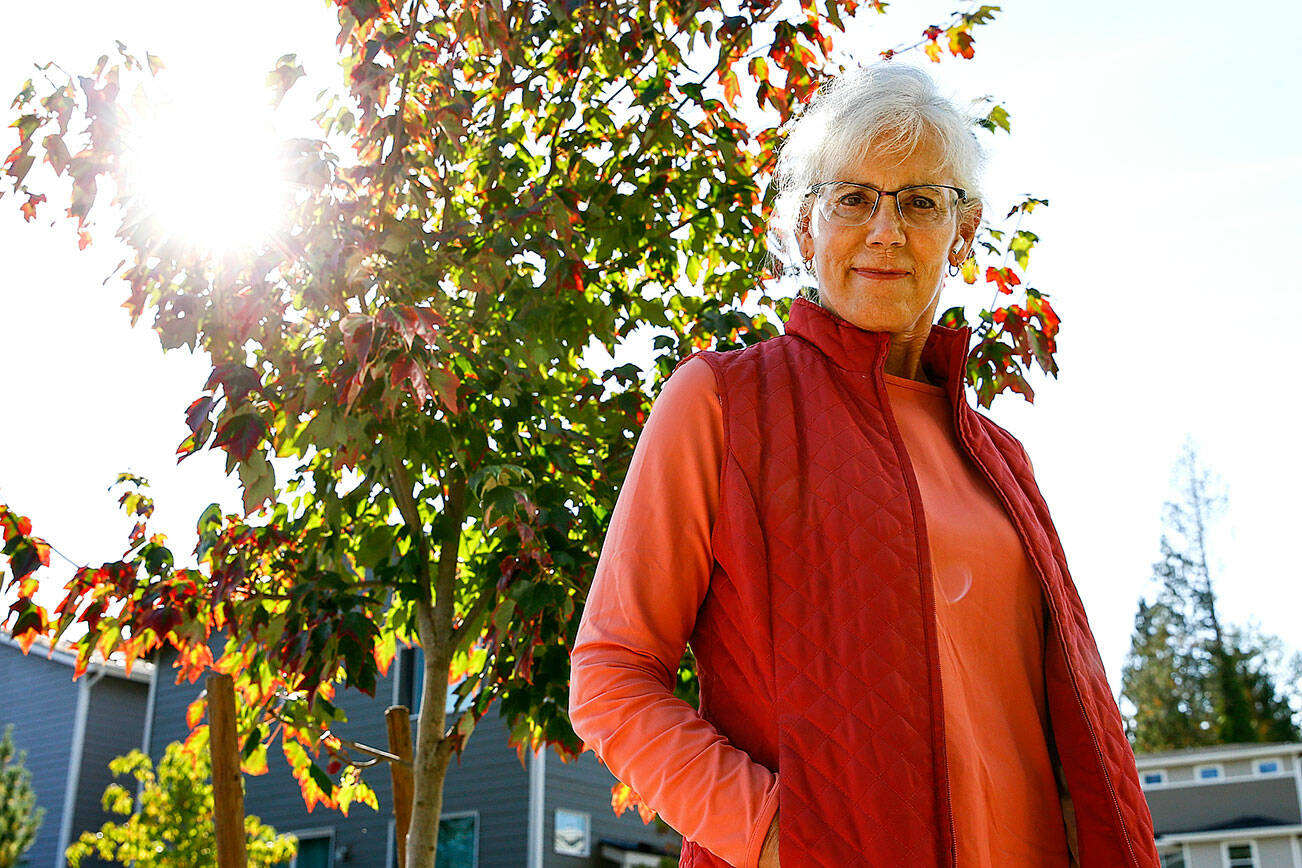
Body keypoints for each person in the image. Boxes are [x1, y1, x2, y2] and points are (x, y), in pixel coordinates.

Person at [568, 62, 1160, 868]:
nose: (885, 231)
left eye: (920, 201)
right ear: (806, 224)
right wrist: (780, 838)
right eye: (853, 199)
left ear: (966, 232)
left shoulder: (1002, 460)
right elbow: (611, 675)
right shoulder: (720, 404)